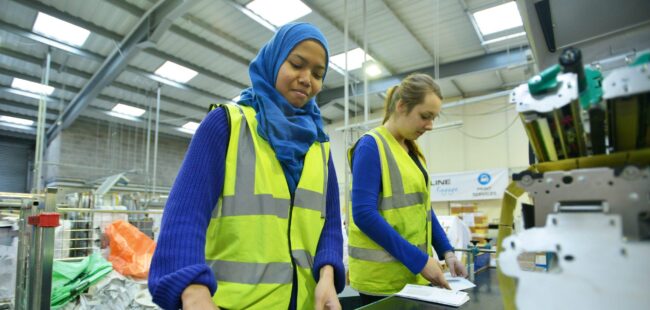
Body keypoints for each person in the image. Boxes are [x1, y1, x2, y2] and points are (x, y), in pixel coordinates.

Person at [148, 23, 344, 310]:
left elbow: (329, 223)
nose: (306, 79)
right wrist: (192, 289)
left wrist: (327, 275)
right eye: (297, 64)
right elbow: (185, 216)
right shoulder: (227, 125)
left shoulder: (319, 144)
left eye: (317, 74)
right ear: (274, 59)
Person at [347, 73, 467, 305]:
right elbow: (363, 215)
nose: (430, 126)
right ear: (401, 106)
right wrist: (420, 261)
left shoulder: (412, 151)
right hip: (382, 281)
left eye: (433, 118)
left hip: (412, 274)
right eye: (425, 116)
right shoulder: (371, 146)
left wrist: (447, 252)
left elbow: (424, 209)